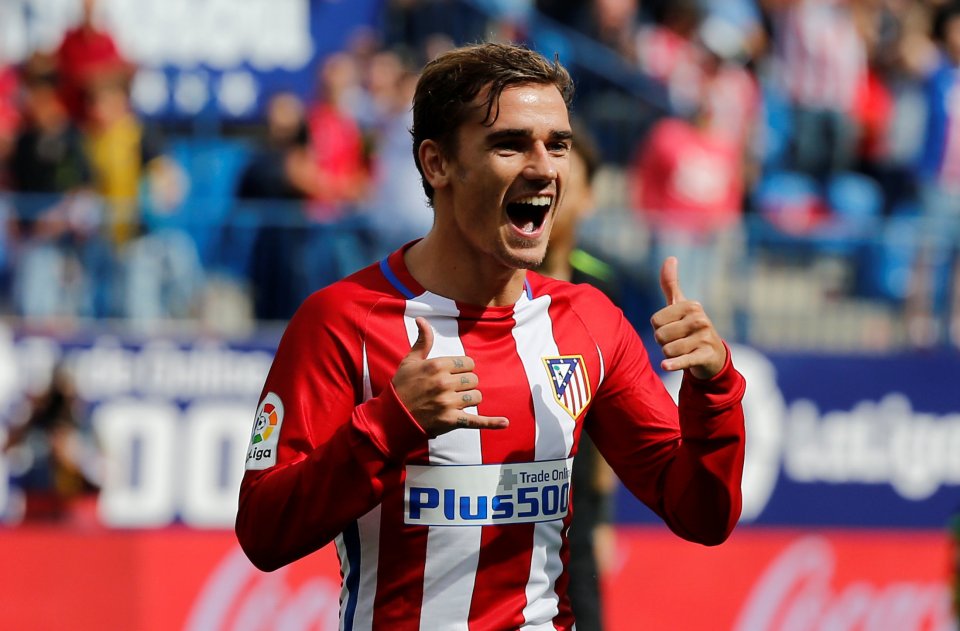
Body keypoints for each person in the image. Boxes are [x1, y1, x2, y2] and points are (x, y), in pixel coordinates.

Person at [236, 42, 746, 630]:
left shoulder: (589, 321)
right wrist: (388, 424)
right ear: (437, 164)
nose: (545, 167)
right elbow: (263, 533)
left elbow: (703, 516)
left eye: (558, 144)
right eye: (510, 143)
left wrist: (714, 389)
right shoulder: (341, 320)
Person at [537, 120, 618, 631]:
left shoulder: (602, 291)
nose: (548, 182)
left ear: (588, 196)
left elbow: (614, 409)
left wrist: (604, 517)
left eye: (568, 173)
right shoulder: (489, 281)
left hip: (577, 513)